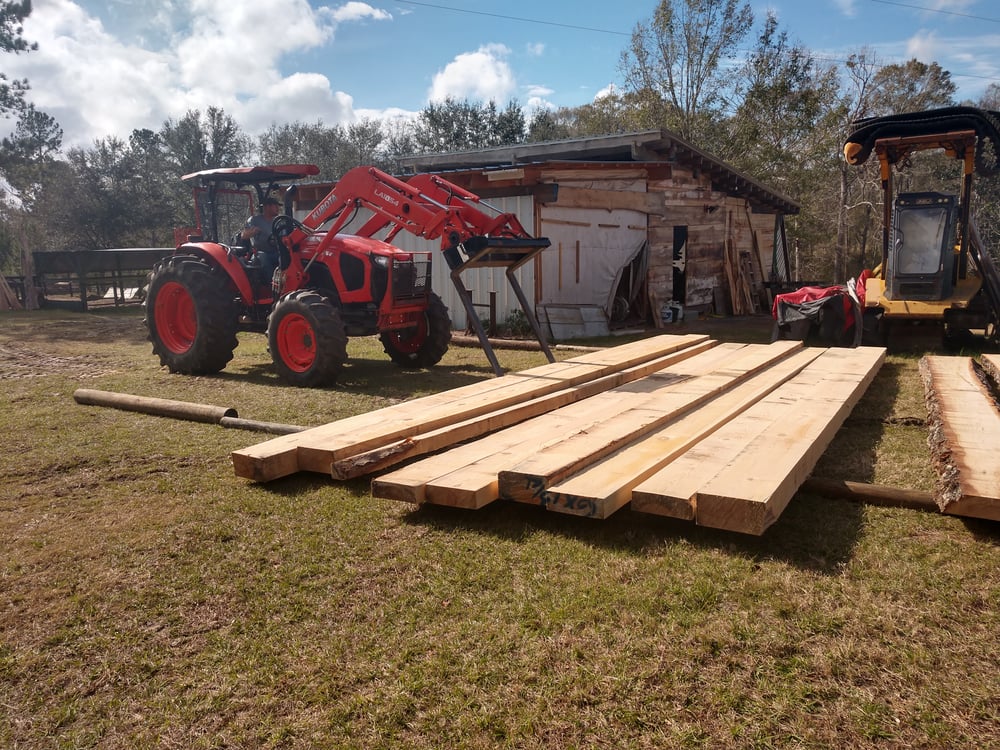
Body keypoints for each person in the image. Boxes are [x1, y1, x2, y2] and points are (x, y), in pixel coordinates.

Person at [240, 196, 281, 282]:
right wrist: (253, 232)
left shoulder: (279, 221)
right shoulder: (254, 220)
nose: (278, 208)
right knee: (264, 257)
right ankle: (272, 283)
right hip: (259, 253)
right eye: (275, 205)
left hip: (276, 251)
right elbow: (244, 235)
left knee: (286, 257)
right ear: (266, 207)